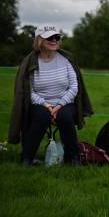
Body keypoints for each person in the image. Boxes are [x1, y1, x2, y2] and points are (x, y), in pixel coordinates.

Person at [9, 25, 93, 166]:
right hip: (40, 104)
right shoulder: (30, 62)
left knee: (65, 116)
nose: (54, 40)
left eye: (57, 37)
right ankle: (27, 158)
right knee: (42, 116)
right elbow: (29, 91)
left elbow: (74, 86)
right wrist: (46, 105)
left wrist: (59, 105)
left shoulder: (66, 60)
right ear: (39, 40)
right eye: (50, 37)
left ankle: (73, 158)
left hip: (65, 103)